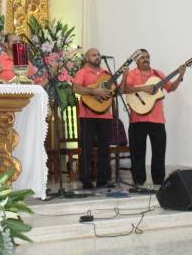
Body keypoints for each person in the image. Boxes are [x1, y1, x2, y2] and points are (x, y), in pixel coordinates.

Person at [122, 49, 185, 188]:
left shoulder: (158, 74)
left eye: (147, 57)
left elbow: (171, 88)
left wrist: (180, 76)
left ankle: (158, 180)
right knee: (138, 151)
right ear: (137, 60)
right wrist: (144, 88)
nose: (146, 59)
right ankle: (139, 180)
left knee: (159, 151)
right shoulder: (132, 74)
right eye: (142, 57)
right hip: (137, 119)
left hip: (157, 119)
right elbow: (124, 90)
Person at [72, 48, 113, 189]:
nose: (97, 57)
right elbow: (76, 88)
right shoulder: (83, 72)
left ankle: (103, 179)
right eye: (94, 55)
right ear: (87, 58)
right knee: (87, 148)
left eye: (98, 55)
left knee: (104, 148)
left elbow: (114, 90)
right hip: (87, 115)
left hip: (105, 115)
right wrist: (93, 91)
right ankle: (86, 179)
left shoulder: (106, 73)